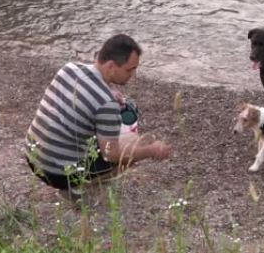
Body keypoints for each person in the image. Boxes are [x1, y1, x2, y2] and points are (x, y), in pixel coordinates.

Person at [25, 34, 171, 197]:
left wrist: (108, 90)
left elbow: (83, 95)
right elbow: (111, 154)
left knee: (102, 135)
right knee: (133, 141)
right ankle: (74, 189)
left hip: (34, 157)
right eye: (129, 70)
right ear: (111, 66)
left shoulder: (69, 68)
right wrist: (151, 150)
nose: (133, 75)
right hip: (58, 174)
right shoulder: (105, 103)